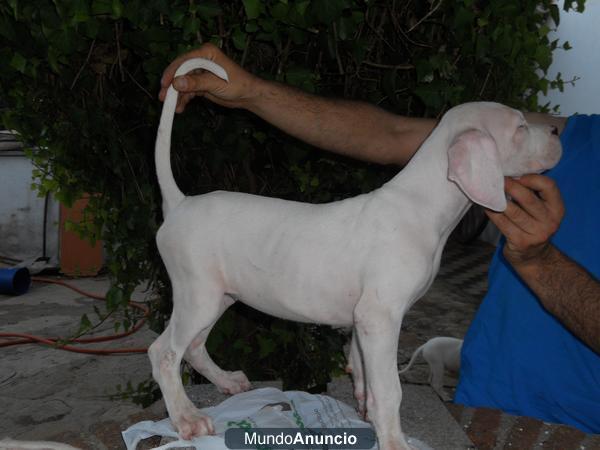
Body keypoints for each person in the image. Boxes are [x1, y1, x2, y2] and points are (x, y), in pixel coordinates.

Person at [159, 44, 600, 433]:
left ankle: (206, 361)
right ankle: (173, 371)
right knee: (198, 308)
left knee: (361, 312)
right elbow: (375, 319)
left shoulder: (408, 229)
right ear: (474, 160)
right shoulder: (403, 234)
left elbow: (366, 312)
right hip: (204, 228)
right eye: (519, 129)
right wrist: (389, 432)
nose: (545, 133)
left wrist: (362, 374)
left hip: (563, 418)